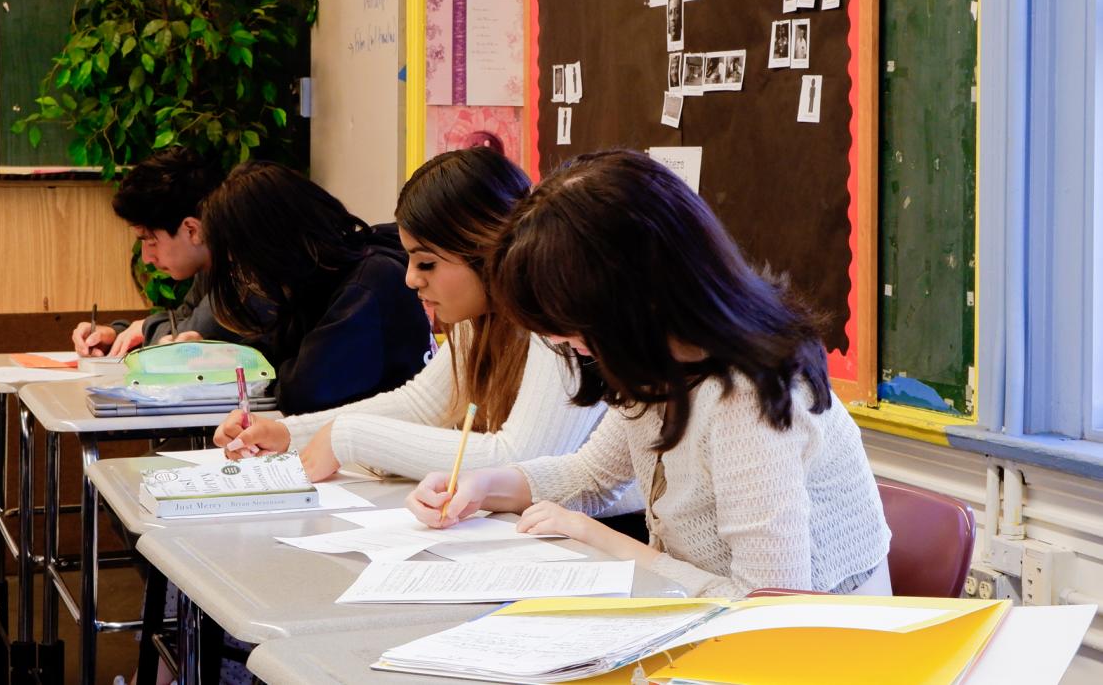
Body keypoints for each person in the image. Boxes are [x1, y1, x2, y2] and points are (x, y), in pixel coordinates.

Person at [406, 150, 891, 598]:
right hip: (700, 624)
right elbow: (591, 477)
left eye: (571, 324)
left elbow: (769, 607)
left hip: (818, 652)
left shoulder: (748, 397)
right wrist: (479, 487)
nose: (562, 342)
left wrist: (617, 545)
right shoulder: (661, 361)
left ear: (632, 296)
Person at [215, 149, 640, 502]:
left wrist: (348, 437)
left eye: (428, 262)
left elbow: (522, 456)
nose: (411, 278)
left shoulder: (558, 324)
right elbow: (424, 405)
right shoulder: (480, 317)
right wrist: (287, 433)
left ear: (483, 248)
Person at [201, 161, 433, 415]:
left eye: (242, 263)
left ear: (268, 247)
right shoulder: (323, 281)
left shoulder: (369, 283)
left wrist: (277, 369)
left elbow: (305, 393)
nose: (246, 276)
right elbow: (273, 352)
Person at [71, 147, 242, 357]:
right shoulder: (210, 267)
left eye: (150, 241)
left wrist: (143, 328)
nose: (146, 257)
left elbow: (180, 339)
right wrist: (117, 335)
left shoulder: (243, 277)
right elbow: (180, 319)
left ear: (193, 230)